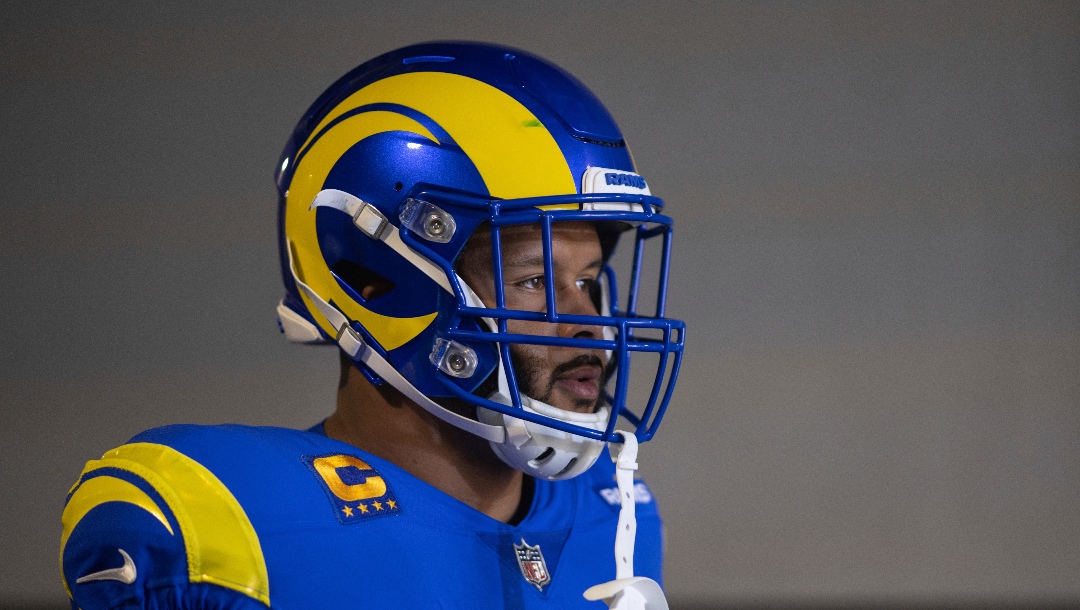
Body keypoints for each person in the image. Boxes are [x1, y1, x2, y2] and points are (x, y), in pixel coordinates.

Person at [60, 41, 685, 609]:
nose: (588, 326)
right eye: (533, 280)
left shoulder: (617, 510)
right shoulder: (231, 520)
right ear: (374, 282)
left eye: (588, 281)